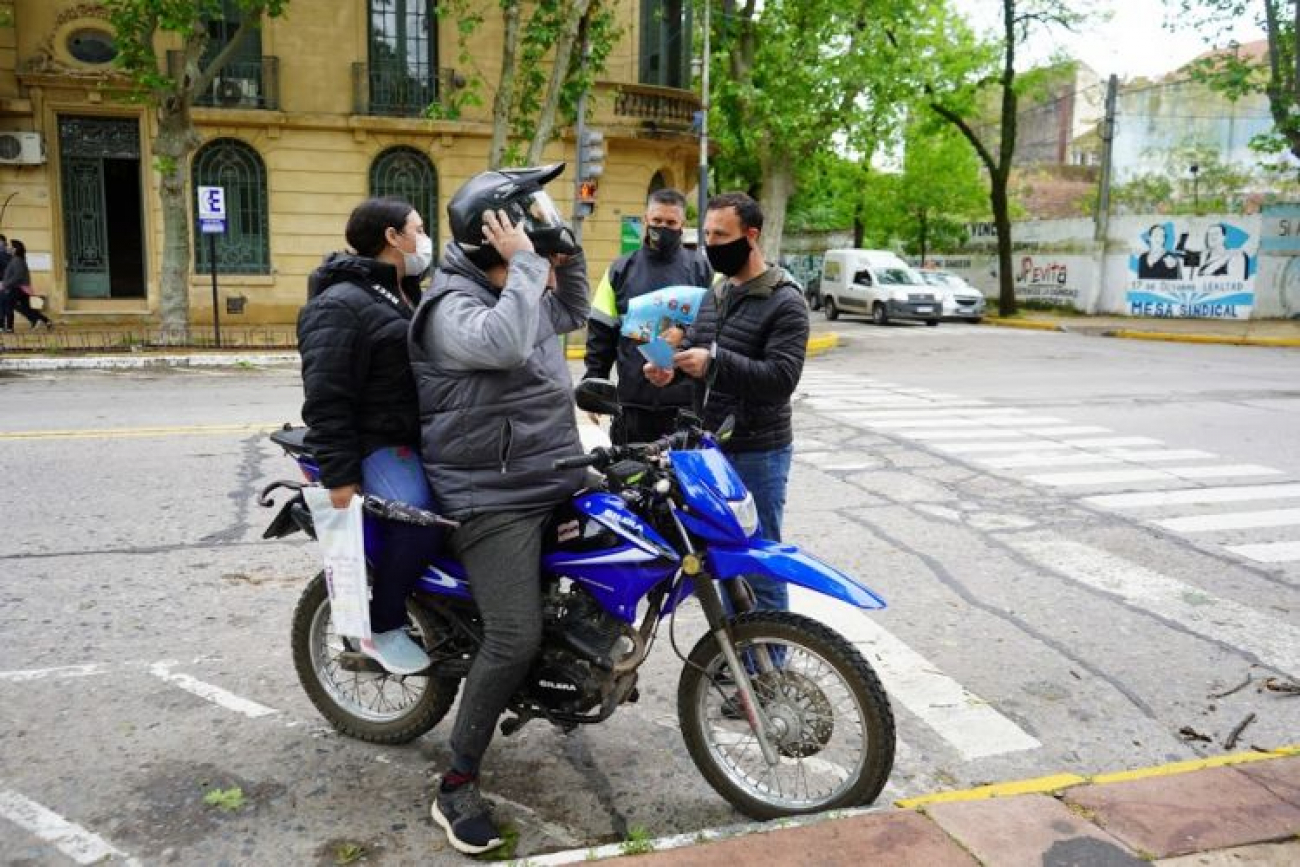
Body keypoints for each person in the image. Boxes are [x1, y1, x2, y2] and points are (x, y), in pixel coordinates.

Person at [408, 163, 590, 855]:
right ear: (493, 234)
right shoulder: (451, 309)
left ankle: (574, 672)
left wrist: (562, 254)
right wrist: (525, 265)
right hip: (492, 496)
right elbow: (509, 340)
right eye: (525, 215)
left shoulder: (511, 284)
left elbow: (566, 311)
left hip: (550, 473)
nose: (535, 223)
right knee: (513, 634)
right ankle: (456, 781)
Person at [645, 192, 809, 613]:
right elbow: (698, 351)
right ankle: (738, 660)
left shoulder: (784, 300)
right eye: (707, 234)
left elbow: (781, 379)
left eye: (721, 235)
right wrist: (670, 371)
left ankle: (767, 670)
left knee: (760, 566)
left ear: (750, 236)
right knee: (724, 567)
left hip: (759, 451)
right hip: (712, 450)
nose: (711, 244)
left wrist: (714, 362)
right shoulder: (717, 293)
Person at [296, 197, 437, 676]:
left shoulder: (407, 292)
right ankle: (383, 624)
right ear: (393, 238)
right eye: (418, 228)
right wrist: (340, 476)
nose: (425, 237)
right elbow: (326, 396)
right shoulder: (340, 303)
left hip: (417, 435)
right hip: (374, 443)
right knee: (417, 518)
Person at [584, 188, 712, 442]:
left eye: (671, 222)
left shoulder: (702, 270)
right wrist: (593, 386)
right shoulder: (619, 270)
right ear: (645, 220)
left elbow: (717, 326)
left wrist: (684, 332)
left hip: (686, 408)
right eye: (657, 221)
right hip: (632, 408)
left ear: (682, 224)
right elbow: (600, 333)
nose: (663, 227)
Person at [2, 240, 53, 331]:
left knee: (9, 306)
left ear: (15, 249)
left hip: (18, 288)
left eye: (10, 246)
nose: (8, 247)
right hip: (21, 288)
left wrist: (5, 284)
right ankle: (45, 321)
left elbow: (18, 276)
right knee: (24, 307)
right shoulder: (16, 259)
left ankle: (10, 328)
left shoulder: (17, 260)